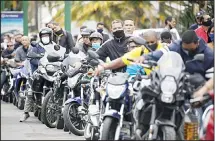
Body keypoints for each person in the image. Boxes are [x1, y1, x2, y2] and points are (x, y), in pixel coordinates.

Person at [134, 30, 214, 79]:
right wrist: (145, 57)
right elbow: (162, 52)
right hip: (178, 84)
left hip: (198, 86)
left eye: (191, 49)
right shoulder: (177, 45)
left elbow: (211, 79)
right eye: (185, 49)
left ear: (197, 43)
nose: (187, 52)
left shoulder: (208, 55)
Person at [95, 30, 165, 76]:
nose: (150, 44)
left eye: (152, 42)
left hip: (166, 81)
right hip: (150, 82)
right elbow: (122, 60)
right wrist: (104, 66)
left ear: (157, 40)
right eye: (147, 42)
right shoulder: (141, 51)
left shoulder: (164, 49)